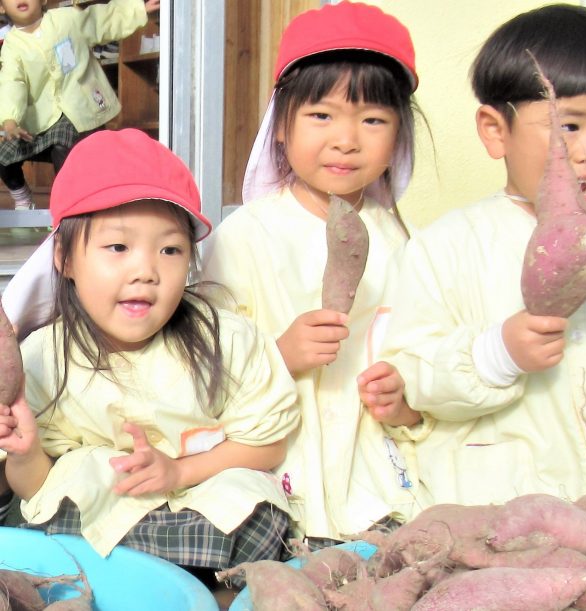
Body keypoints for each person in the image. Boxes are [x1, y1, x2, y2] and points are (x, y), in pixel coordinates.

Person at [377, 4, 586, 507]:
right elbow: (415, 376)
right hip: (493, 505)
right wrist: (497, 354)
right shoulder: (446, 246)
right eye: (569, 127)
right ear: (495, 130)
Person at [0, 129, 299, 581]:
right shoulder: (43, 356)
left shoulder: (228, 339)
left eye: (170, 250)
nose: (146, 271)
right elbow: (37, 486)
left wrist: (180, 471)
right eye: (118, 247)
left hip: (198, 504)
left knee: (258, 510)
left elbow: (268, 441)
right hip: (98, 516)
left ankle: (193, 582)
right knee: (41, 508)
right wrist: (24, 454)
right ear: (63, 257)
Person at [200, 1, 427, 546]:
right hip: (279, 449)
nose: (346, 139)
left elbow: (424, 345)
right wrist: (278, 354)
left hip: (366, 457)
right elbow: (203, 365)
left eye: (373, 120)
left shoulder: (399, 241)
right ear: (280, 127)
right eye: (321, 116)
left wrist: (408, 399)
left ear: (397, 137)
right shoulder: (247, 234)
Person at [0, 0, 158, 210]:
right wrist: (10, 119)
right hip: (41, 120)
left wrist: (137, 10)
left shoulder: (67, 19)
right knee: (4, 154)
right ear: (2, 7)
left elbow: (99, 20)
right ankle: (22, 198)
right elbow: (12, 81)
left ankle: (68, 205)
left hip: (79, 109)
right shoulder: (12, 44)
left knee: (62, 147)